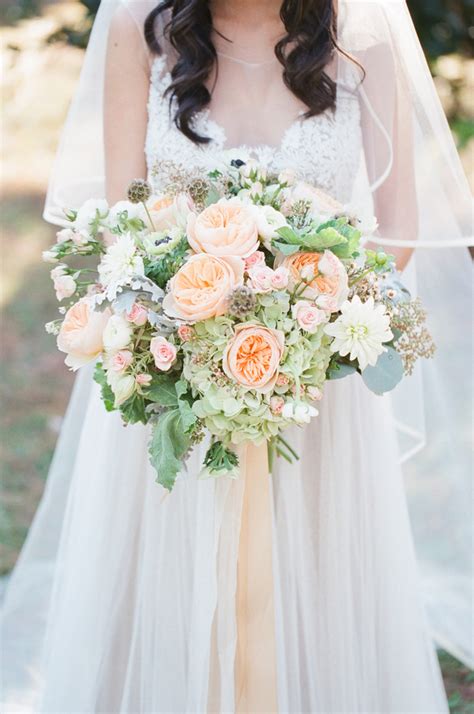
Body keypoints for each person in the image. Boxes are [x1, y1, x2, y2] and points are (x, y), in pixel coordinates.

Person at [2, 1, 472, 712]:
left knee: (310, 584)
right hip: (173, 371)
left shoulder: (364, 31)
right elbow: (121, 218)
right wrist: (196, 322)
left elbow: (397, 228)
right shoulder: (139, 28)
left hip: (316, 390)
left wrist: (299, 322)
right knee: (166, 584)